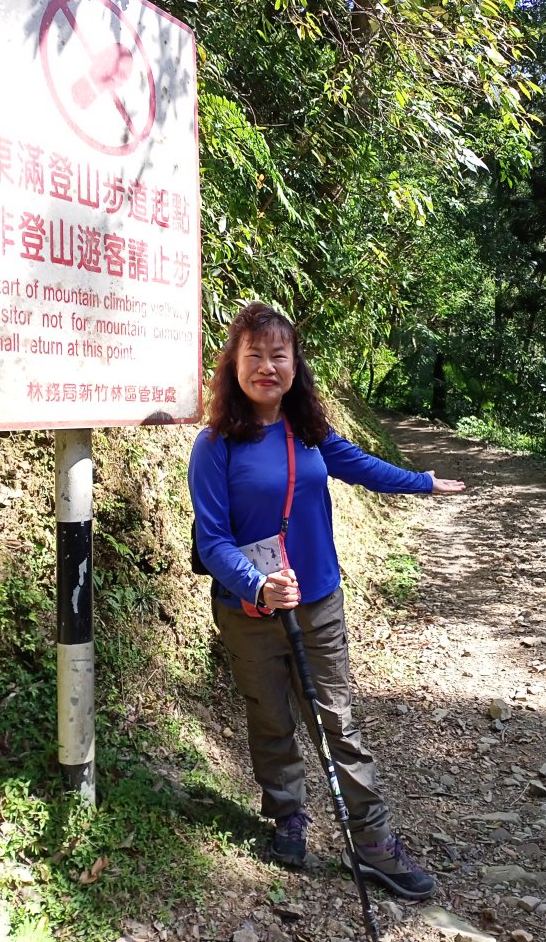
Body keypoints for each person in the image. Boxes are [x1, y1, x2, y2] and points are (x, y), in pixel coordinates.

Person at [188, 302, 465, 900]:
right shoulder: (214, 446)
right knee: (270, 718)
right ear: (233, 365)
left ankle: (373, 844)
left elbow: (361, 467)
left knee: (338, 722)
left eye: (278, 355)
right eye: (254, 355)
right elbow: (211, 540)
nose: (267, 366)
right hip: (249, 611)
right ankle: (287, 816)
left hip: (317, 602)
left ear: (295, 365)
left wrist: (423, 481)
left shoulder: (309, 432)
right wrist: (257, 583)